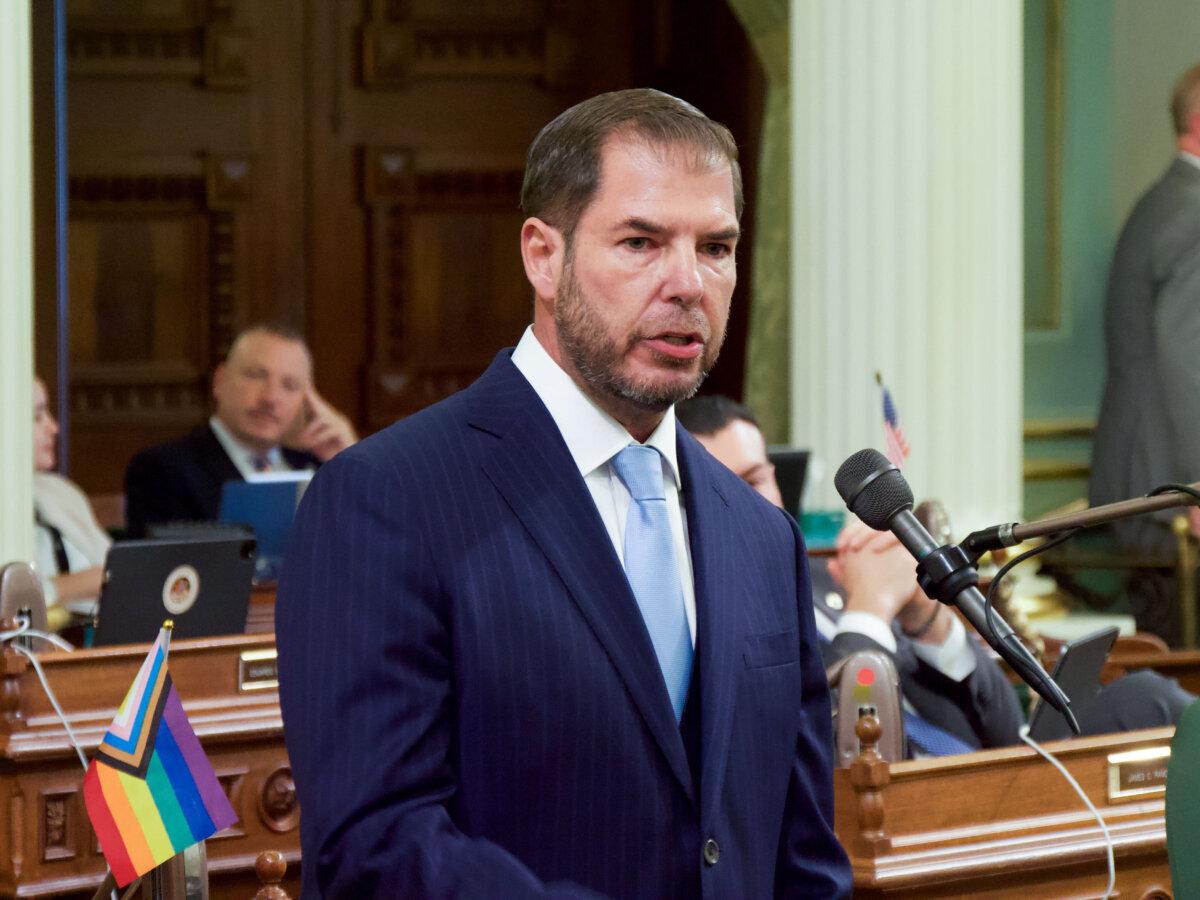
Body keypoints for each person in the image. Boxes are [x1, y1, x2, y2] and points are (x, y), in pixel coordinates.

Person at [276, 90, 852, 898]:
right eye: (642, 242)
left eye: (716, 248)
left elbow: (800, 857)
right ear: (543, 257)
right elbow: (374, 847)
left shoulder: (760, 533)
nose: (688, 282)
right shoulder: (384, 501)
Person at [678, 395, 1195, 754]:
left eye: (757, 478)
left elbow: (998, 729)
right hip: (895, 817)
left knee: (1148, 698)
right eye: (727, 484)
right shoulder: (710, 612)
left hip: (982, 774)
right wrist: (871, 610)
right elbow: (822, 745)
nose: (751, 501)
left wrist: (930, 622)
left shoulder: (826, 578)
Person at [1090, 61, 1200, 642]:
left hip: (1145, 481)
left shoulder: (1164, 200)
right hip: (1168, 491)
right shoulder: (1194, 211)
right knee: (1181, 677)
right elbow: (1187, 357)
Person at [123, 324, 357, 537]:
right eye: (256, 376)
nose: (271, 398)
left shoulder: (321, 470)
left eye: (289, 385)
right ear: (220, 381)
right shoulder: (163, 469)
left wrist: (353, 460)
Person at [32, 378, 111, 622]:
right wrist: (69, 587)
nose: (54, 428)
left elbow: (118, 574)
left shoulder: (63, 491)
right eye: (37, 417)